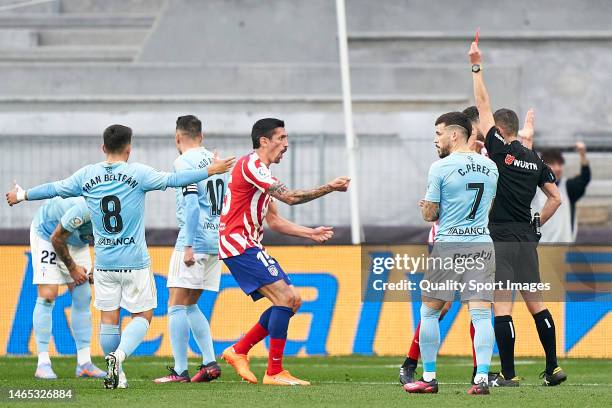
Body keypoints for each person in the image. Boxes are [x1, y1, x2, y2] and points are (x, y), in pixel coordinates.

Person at [6, 124, 235, 389]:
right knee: (143, 315)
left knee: (108, 320)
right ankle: (119, 356)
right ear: (129, 149)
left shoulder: (86, 175)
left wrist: (22, 195)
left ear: (103, 148)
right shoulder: (139, 173)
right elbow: (175, 180)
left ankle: (117, 373)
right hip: (135, 261)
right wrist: (210, 170)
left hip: (104, 263)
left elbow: (54, 189)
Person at [219, 118, 350, 386]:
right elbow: (290, 197)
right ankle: (273, 371)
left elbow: (275, 221)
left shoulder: (261, 173)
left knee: (291, 301)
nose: (286, 145)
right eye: (281, 138)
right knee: (287, 298)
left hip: (247, 244)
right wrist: (330, 187)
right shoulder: (251, 166)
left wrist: (310, 232)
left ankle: (239, 350)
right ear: (264, 141)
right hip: (239, 244)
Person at [469, 40, 567, 387]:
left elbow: (482, 103)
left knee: (502, 306)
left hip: (500, 236)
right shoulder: (535, 160)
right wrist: (538, 221)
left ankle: (508, 374)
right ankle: (553, 368)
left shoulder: (498, 149)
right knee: (536, 303)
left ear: (499, 129)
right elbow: (554, 198)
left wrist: (477, 65)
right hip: (527, 237)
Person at [403, 111, 498, 395]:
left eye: (438, 133)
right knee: (481, 316)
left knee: (429, 313)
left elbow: (430, 213)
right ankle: (481, 379)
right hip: (481, 243)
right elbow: (488, 208)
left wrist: (426, 207)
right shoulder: (490, 167)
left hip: (449, 244)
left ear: (454, 135)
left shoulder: (440, 168)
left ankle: (429, 377)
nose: (436, 140)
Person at [154, 115, 227, 383]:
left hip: (193, 241)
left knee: (175, 305)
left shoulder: (183, 162)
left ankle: (180, 371)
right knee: (191, 303)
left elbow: (193, 205)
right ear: (202, 136)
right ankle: (209, 362)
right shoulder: (217, 162)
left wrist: (187, 245)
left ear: (177, 137)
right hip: (216, 241)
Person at [28, 196, 105, 379]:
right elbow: (57, 238)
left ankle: (84, 363)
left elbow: (108, 242)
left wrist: (97, 266)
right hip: (49, 234)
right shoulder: (82, 210)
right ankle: (43, 363)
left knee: (83, 295)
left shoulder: (118, 213)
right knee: (48, 294)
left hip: (76, 241)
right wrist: (72, 268)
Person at [531, 143, 591, 243]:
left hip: (564, 245)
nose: (558, 168)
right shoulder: (533, 188)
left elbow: (585, 178)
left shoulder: (568, 187)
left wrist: (582, 154)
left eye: (560, 164)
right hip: (539, 245)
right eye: (553, 164)